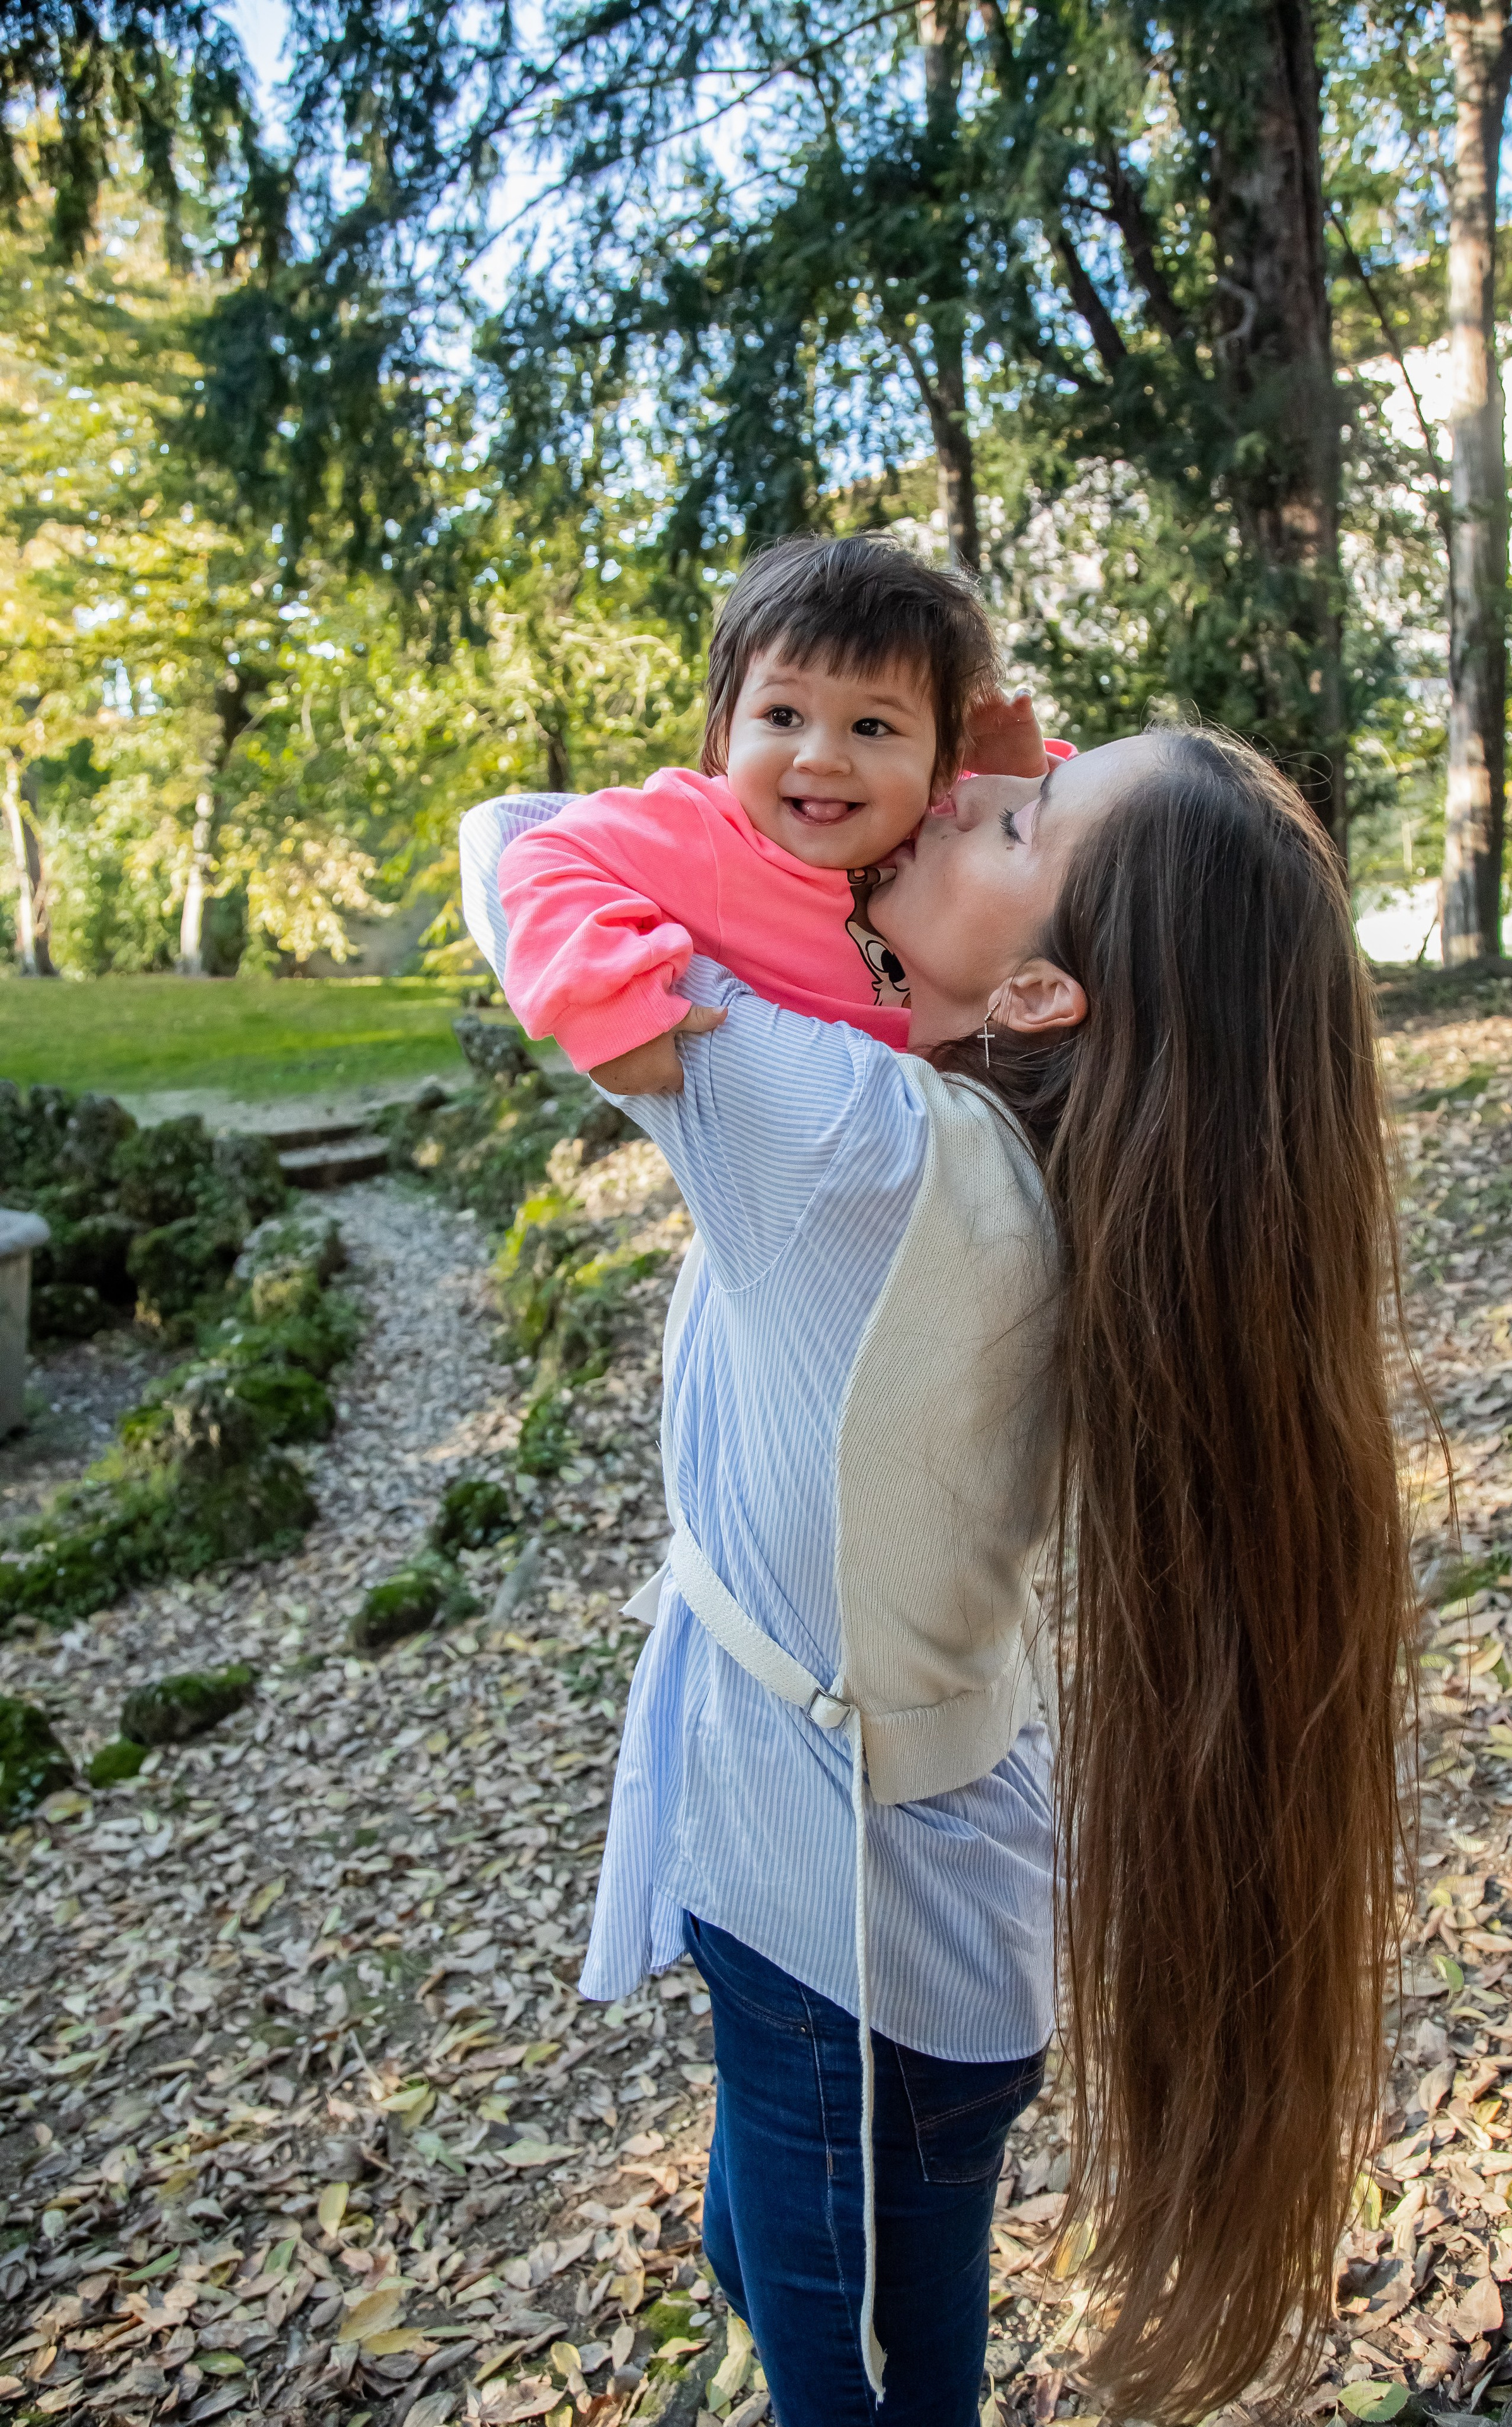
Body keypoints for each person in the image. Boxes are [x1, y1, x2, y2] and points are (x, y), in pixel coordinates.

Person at [459, 729, 1414, 2427]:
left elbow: (509, 842)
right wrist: (945, 792)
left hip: (859, 1941)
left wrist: (833, 790)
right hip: (871, 1886)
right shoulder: (1042, 1138)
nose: (962, 788)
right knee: (774, 2289)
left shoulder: (853, 1142)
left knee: (868, 2394)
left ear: (1045, 993)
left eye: (1021, 807)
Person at [485, 532, 1061, 1096]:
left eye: (871, 726)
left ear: (941, 767)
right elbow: (544, 855)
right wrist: (612, 1011)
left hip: (960, 1127)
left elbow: (1089, 846)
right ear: (724, 732)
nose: (821, 758)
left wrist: (1017, 780)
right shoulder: (706, 830)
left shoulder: (940, 823)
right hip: (818, 1141)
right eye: (783, 716)